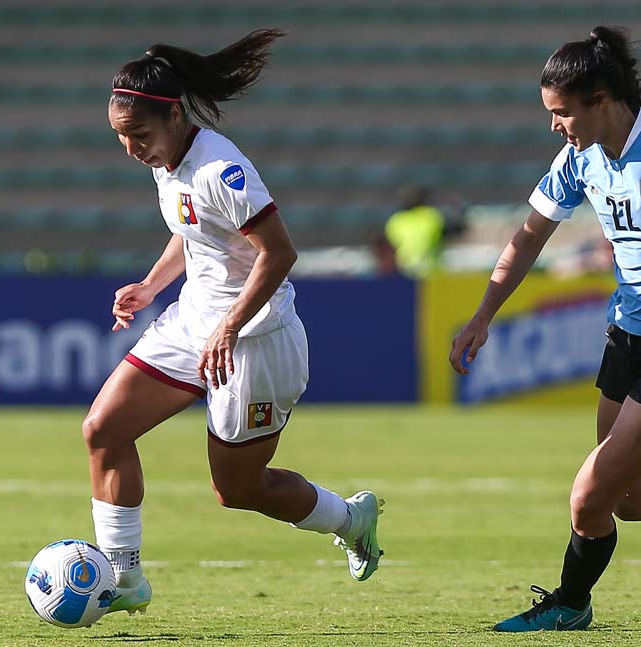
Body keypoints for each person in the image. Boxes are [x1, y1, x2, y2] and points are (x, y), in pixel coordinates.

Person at [450, 26, 641, 632]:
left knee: (589, 497)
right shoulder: (580, 158)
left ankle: (569, 604)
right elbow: (529, 236)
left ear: (600, 98)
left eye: (561, 113)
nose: (555, 125)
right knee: (636, 501)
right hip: (628, 339)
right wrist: (482, 315)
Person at [92, 29, 384, 616]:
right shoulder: (167, 161)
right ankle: (124, 578)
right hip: (194, 324)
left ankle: (351, 518)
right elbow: (192, 228)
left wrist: (229, 326)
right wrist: (152, 286)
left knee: (238, 490)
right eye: (121, 138)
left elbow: (279, 253)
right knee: (104, 430)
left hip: (255, 342)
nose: (132, 150)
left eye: (139, 136)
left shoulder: (223, 169)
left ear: (173, 116)